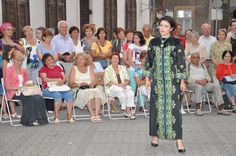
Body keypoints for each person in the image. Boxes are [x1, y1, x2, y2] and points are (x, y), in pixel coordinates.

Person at [144, 16, 187, 152]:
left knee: (175, 110)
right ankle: (156, 136)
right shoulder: (153, 42)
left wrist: (182, 80)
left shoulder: (176, 42)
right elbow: (149, 60)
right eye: (161, 25)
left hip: (172, 82)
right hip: (157, 82)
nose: (162, 28)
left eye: (166, 26)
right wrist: (147, 78)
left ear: (171, 28)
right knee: (156, 108)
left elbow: (181, 62)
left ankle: (179, 140)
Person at [5, 50, 48, 126]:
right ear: (12, 60)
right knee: (30, 98)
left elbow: (25, 83)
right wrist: (19, 87)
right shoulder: (9, 70)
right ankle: (28, 121)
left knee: (39, 97)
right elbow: (7, 87)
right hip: (14, 92)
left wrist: (29, 84)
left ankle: (40, 119)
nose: (20, 62)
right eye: (18, 61)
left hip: (24, 90)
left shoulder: (23, 70)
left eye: (21, 60)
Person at [39, 53, 74, 123]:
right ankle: (56, 116)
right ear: (45, 62)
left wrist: (62, 81)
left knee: (69, 94)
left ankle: (69, 115)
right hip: (48, 88)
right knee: (57, 94)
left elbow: (64, 78)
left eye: (52, 59)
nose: (51, 60)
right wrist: (56, 80)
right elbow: (45, 79)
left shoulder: (58, 68)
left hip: (60, 87)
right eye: (48, 60)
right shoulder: (43, 69)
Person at [68, 53, 103, 122]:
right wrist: (80, 84)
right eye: (78, 59)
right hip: (78, 90)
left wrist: (92, 84)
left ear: (85, 60)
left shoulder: (89, 68)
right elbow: (70, 84)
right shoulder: (74, 69)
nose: (79, 61)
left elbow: (94, 81)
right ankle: (92, 114)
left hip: (89, 88)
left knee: (97, 91)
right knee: (89, 92)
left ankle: (97, 115)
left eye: (81, 59)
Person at [104, 53, 136, 119]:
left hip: (123, 86)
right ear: (110, 60)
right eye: (114, 58)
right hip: (112, 88)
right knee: (120, 91)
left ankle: (128, 110)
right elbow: (108, 83)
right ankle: (125, 110)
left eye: (117, 58)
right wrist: (120, 85)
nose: (116, 60)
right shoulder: (107, 70)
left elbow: (128, 80)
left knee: (130, 92)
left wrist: (125, 83)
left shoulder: (123, 68)